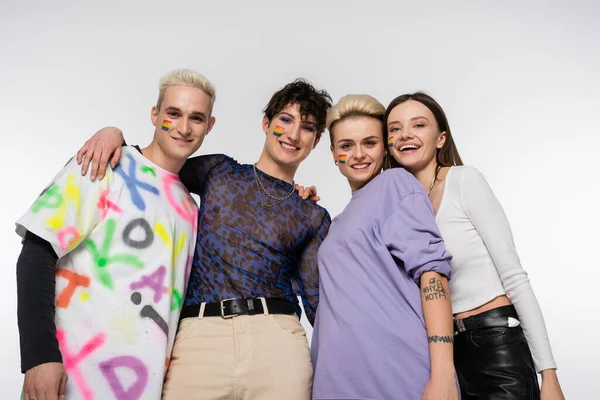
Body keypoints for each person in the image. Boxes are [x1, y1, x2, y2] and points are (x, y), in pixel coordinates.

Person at [75, 79, 332, 400]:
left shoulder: (312, 214)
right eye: (285, 120)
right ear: (266, 123)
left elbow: (318, 305)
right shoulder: (219, 171)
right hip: (200, 335)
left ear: (316, 141)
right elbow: (154, 164)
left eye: (307, 127)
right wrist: (116, 134)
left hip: (278, 341)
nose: (294, 134)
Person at [16, 69, 216, 400]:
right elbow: (37, 252)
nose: (183, 127)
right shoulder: (105, 165)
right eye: (173, 113)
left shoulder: (191, 208)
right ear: (154, 115)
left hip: (141, 388)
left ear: (209, 126)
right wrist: (39, 357)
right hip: (71, 379)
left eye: (196, 118)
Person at [384, 92, 565, 399]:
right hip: (440, 356)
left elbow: (514, 276)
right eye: (394, 129)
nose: (405, 135)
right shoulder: (394, 207)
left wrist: (548, 374)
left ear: (441, 138)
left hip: (496, 346)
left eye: (418, 125)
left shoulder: (465, 182)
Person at [311, 94, 459, 400]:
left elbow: (433, 274)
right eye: (346, 146)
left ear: (384, 146)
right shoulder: (337, 222)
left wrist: (443, 372)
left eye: (369, 143)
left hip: (397, 372)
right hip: (338, 380)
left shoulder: (395, 184)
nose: (358, 155)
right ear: (333, 152)